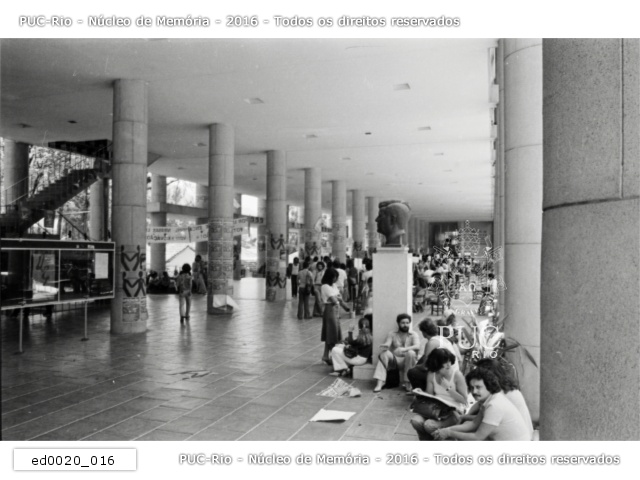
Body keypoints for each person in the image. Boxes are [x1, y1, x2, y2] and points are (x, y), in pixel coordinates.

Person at [433, 368, 531, 441]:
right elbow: (473, 424)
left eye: (478, 387)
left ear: (489, 385)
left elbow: (478, 437)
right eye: (472, 388)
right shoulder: (490, 399)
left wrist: (449, 433)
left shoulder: (494, 405)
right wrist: (446, 430)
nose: (474, 391)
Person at [459, 358, 534, 440]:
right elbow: (478, 406)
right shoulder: (503, 387)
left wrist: (464, 417)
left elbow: (482, 423)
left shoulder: (500, 394)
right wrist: (466, 416)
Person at [410, 348, 468, 440]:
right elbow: (429, 396)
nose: (448, 364)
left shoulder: (457, 375)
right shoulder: (432, 374)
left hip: (453, 411)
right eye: (445, 362)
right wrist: (420, 393)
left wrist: (448, 388)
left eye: (449, 361)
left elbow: (464, 400)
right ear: (436, 363)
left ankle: (444, 440)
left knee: (429, 425)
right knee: (416, 421)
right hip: (436, 409)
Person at [407, 318, 460, 390]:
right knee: (422, 359)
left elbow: (425, 367)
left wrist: (416, 367)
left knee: (412, 372)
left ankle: (421, 394)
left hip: (446, 377)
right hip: (452, 372)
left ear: (424, 333)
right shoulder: (442, 338)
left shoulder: (431, 343)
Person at [373, 313, 421, 393]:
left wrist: (405, 349)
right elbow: (388, 343)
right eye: (403, 323)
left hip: (409, 361)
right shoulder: (392, 333)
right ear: (398, 323)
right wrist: (385, 346)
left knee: (411, 353)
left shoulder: (414, 334)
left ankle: (408, 383)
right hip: (396, 361)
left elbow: (417, 346)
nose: (405, 325)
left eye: (407, 323)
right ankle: (380, 383)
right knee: (384, 354)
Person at [320, 268, 351, 364]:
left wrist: (338, 299)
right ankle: (335, 356)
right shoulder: (325, 286)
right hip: (330, 310)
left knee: (331, 333)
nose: (335, 279)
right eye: (334, 277)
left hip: (335, 310)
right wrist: (339, 299)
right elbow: (334, 300)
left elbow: (337, 297)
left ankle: (325, 356)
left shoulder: (333, 285)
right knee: (332, 333)